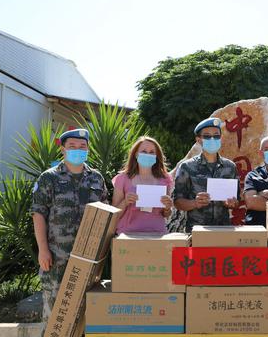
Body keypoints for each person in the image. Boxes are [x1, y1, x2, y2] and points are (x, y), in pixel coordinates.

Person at [31, 128, 108, 335]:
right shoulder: (49, 178)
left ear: (88, 149)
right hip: (57, 257)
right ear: (63, 149)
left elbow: (105, 213)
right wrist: (43, 250)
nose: (77, 150)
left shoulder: (96, 179)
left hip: (88, 258)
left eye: (82, 146)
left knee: (84, 313)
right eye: (72, 146)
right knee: (56, 314)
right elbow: (38, 214)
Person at [172, 117, 238, 232]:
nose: (212, 139)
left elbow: (236, 200)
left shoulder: (230, 167)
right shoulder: (187, 167)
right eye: (207, 136)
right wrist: (194, 203)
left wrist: (232, 203)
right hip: (197, 230)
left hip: (224, 230)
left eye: (216, 136)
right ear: (199, 140)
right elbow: (177, 202)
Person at [111, 136, 174, 234]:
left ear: (157, 156)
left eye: (152, 152)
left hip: (157, 233)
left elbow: (166, 214)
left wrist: (167, 207)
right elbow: (113, 214)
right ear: (136, 154)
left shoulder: (165, 180)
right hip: (128, 235)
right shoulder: (122, 179)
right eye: (144, 151)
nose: (148, 155)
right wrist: (125, 202)